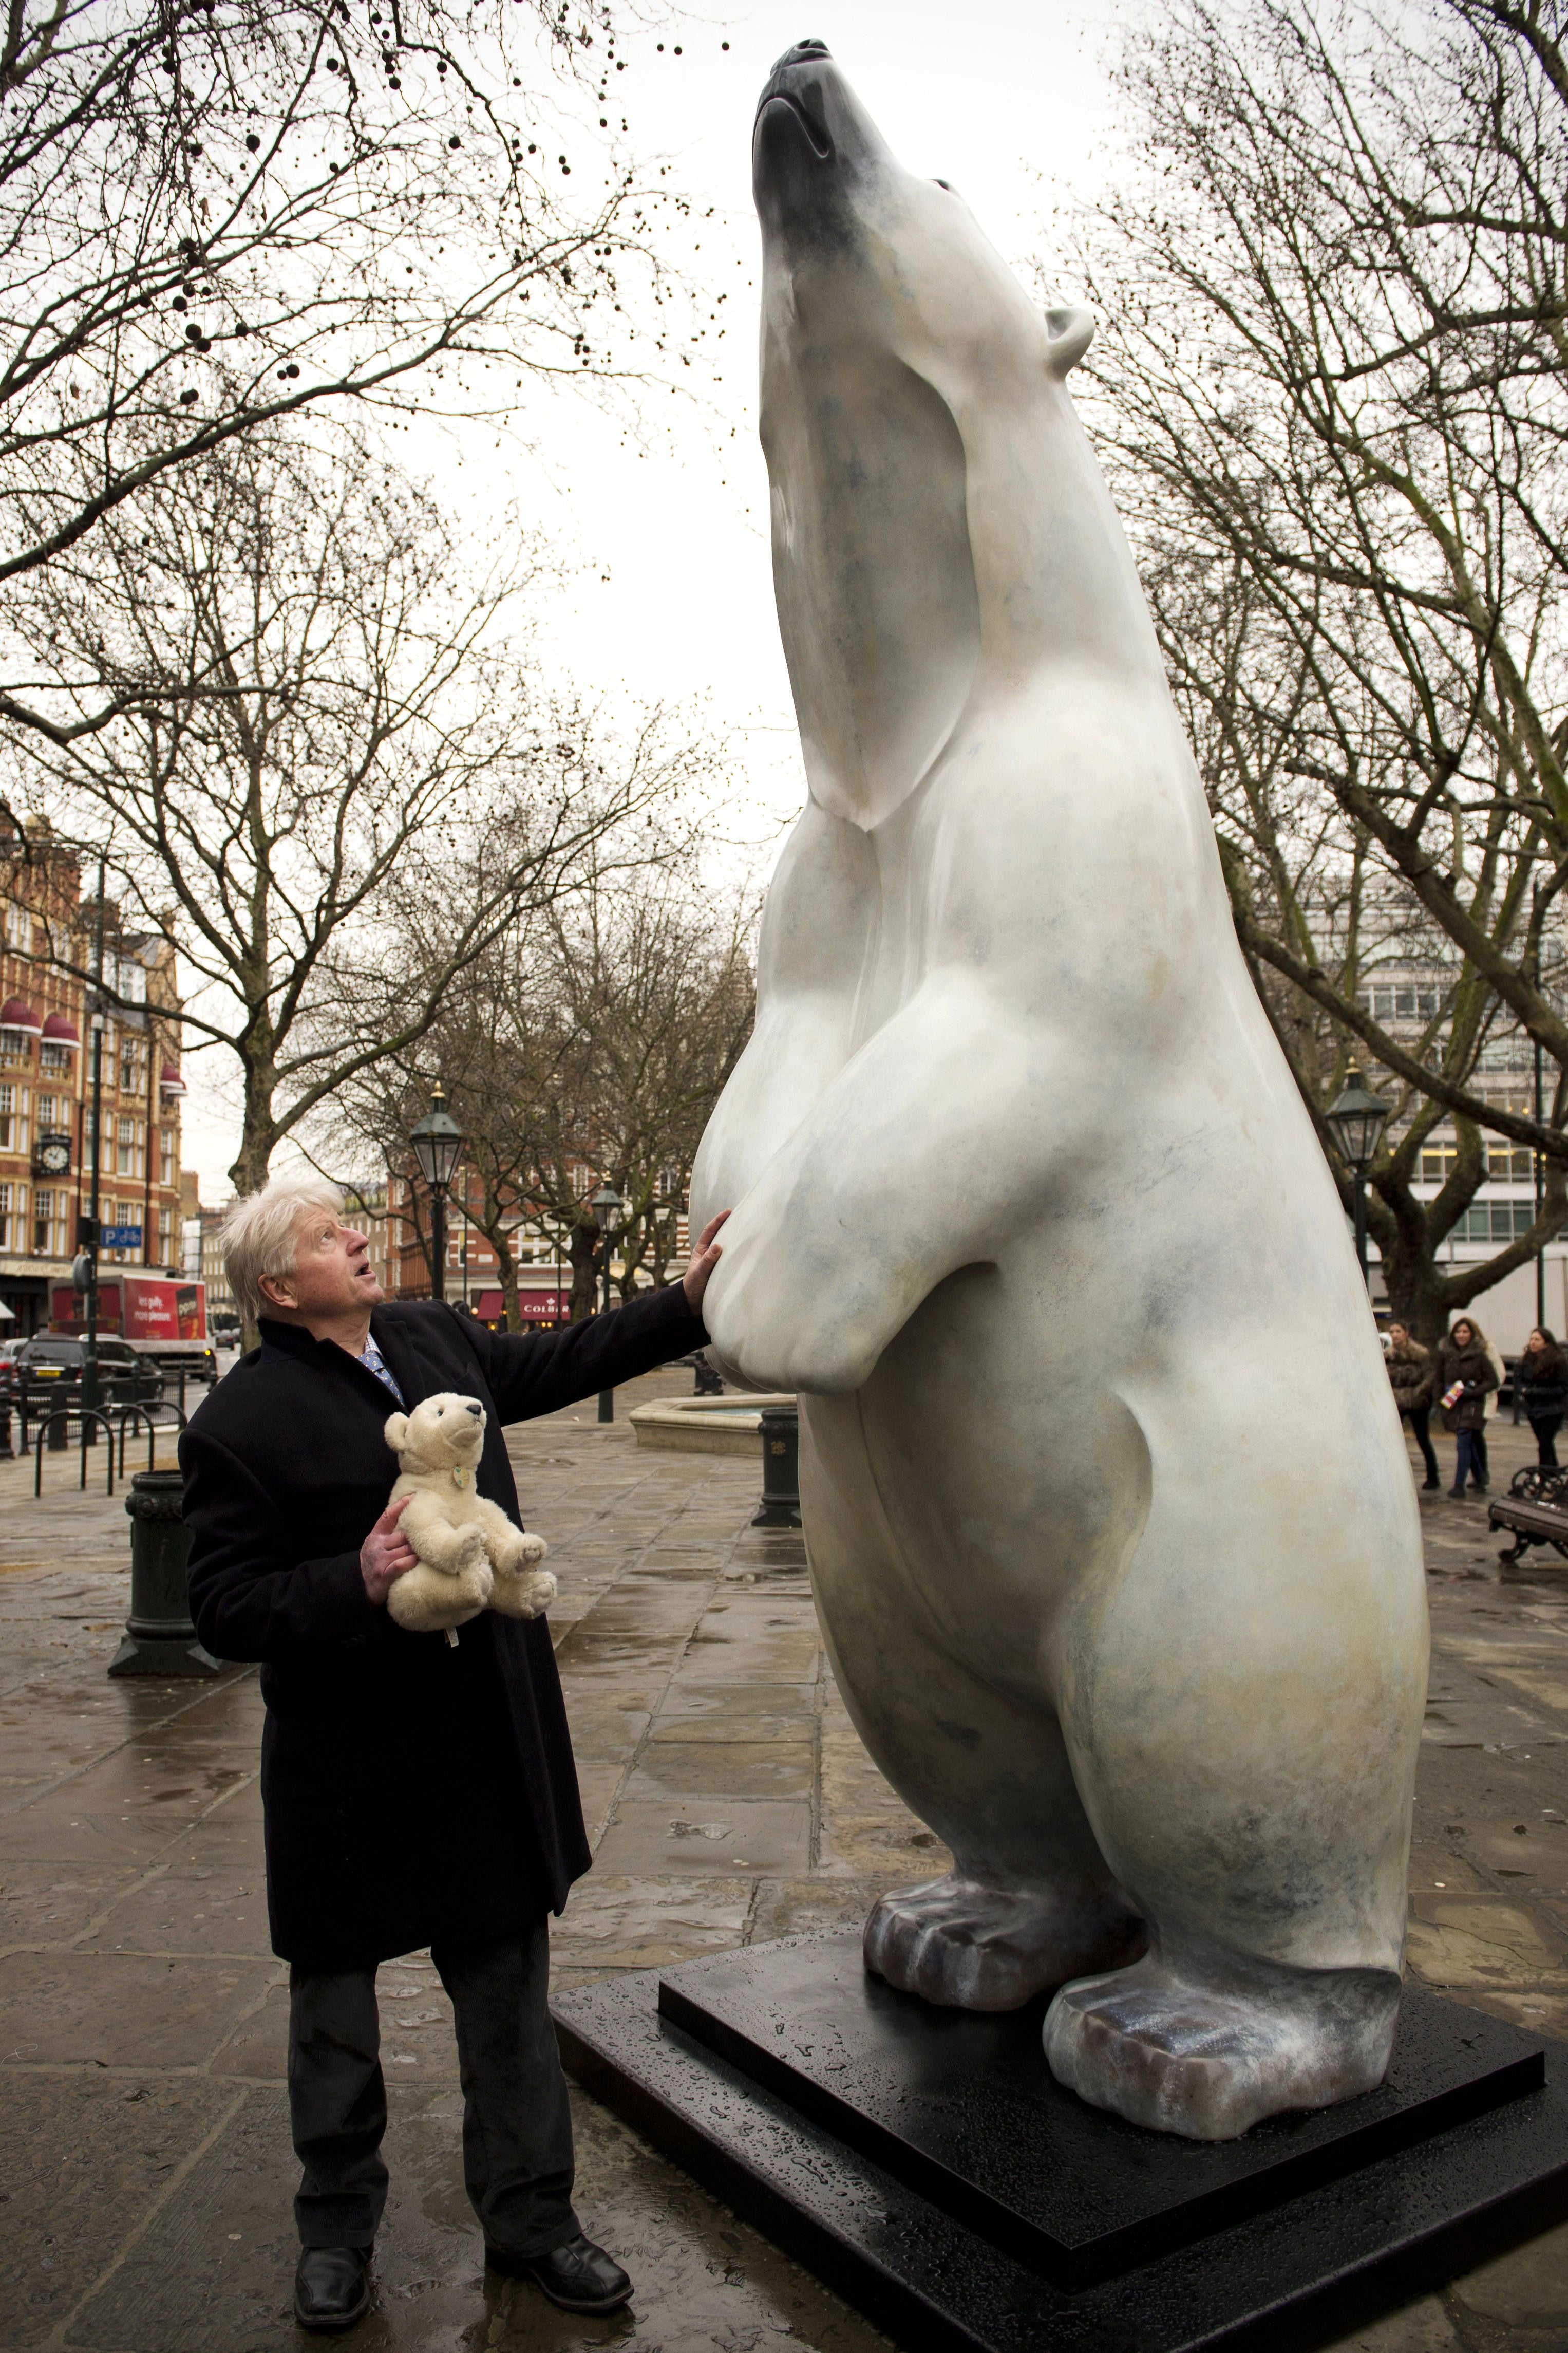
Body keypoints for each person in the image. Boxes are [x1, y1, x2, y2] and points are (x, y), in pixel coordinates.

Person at [181, 1176, 728, 2335]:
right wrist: (355, 1581)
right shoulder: (236, 1423)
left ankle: (534, 2224)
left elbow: (562, 1358)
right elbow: (224, 1607)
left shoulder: (431, 1334)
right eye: (332, 1236)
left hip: (482, 1735)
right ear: (281, 1286)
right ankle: (335, 2232)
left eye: (351, 1224)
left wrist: (684, 1301)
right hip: (344, 1764)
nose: (360, 1239)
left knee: (507, 2002)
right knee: (334, 2017)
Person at [1435, 1316, 1498, 1499]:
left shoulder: (1479, 1356)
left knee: (1463, 1442)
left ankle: (1459, 1485)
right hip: (1453, 1402)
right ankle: (1480, 1477)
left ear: (1471, 1335)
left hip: (1472, 1405)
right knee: (1467, 1443)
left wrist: (1474, 1391)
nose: (1461, 1335)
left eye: (1465, 1332)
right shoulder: (1446, 1355)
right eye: (1458, 1332)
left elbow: (1492, 1380)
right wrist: (1439, 1400)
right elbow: (1439, 1379)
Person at [1384, 1322, 1439, 1489]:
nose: (1395, 1335)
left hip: (1417, 1401)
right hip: (1396, 1400)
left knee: (1422, 1438)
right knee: (1392, 1439)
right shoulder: (1387, 1355)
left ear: (1406, 1333)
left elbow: (1430, 1375)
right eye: (1392, 1332)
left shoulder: (1420, 1353)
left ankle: (1433, 1476)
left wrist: (1419, 1392)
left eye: (1398, 1331)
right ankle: (1391, 1475)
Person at [1517, 1325, 1568, 1468]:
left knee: (1545, 1443)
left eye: (1537, 1340)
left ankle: (1544, 1475)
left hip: (1553, 1409)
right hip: (1533, 1409)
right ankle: (1553, 1472)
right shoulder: (1527, 1359)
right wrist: (1524, 1391)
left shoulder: (1558, 1361)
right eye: (1531, 1339)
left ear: (1546, 1343)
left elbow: (1563, 1388)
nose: (1532, 1343)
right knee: (1545, 1443)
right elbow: (1520, 1380)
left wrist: (1534, 1392)